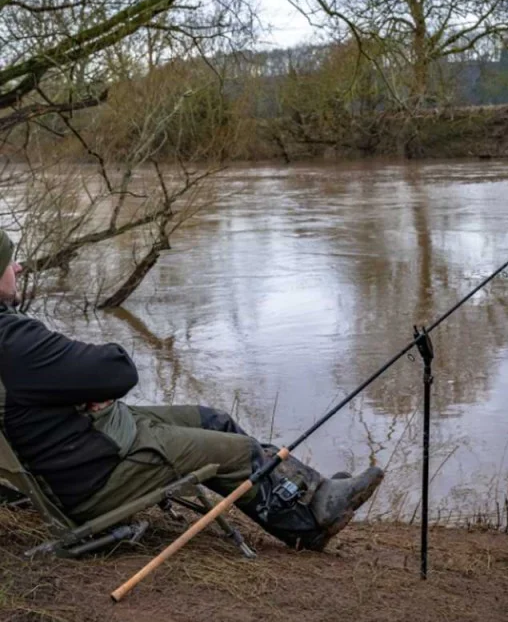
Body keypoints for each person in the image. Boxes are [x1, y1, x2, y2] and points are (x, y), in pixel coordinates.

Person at [0, 229, 383, 550]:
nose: (17, 267)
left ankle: (317, 492)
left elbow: (36, 390)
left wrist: (71, 387)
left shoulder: (14, 342)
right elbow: (117, 369)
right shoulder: (14, 341)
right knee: (238, 453)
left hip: (87, 441)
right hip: (94, 477)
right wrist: (81, 383)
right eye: (8, 262)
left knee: (215, 419)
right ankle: (308, 526)